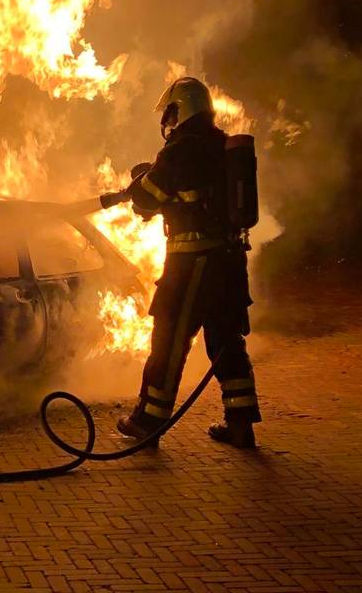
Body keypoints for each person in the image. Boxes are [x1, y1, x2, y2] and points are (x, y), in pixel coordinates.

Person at [99, 77, 261, 449]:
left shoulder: (181, 149)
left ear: (181, 109)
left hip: (191, 265)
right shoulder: (222, 146)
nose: (168, 120)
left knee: (169, 340)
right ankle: (241, 423)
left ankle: (148, 422)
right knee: (226, 341)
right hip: (229, 263)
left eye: (170, 112)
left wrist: (139, 182)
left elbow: (147, 197)